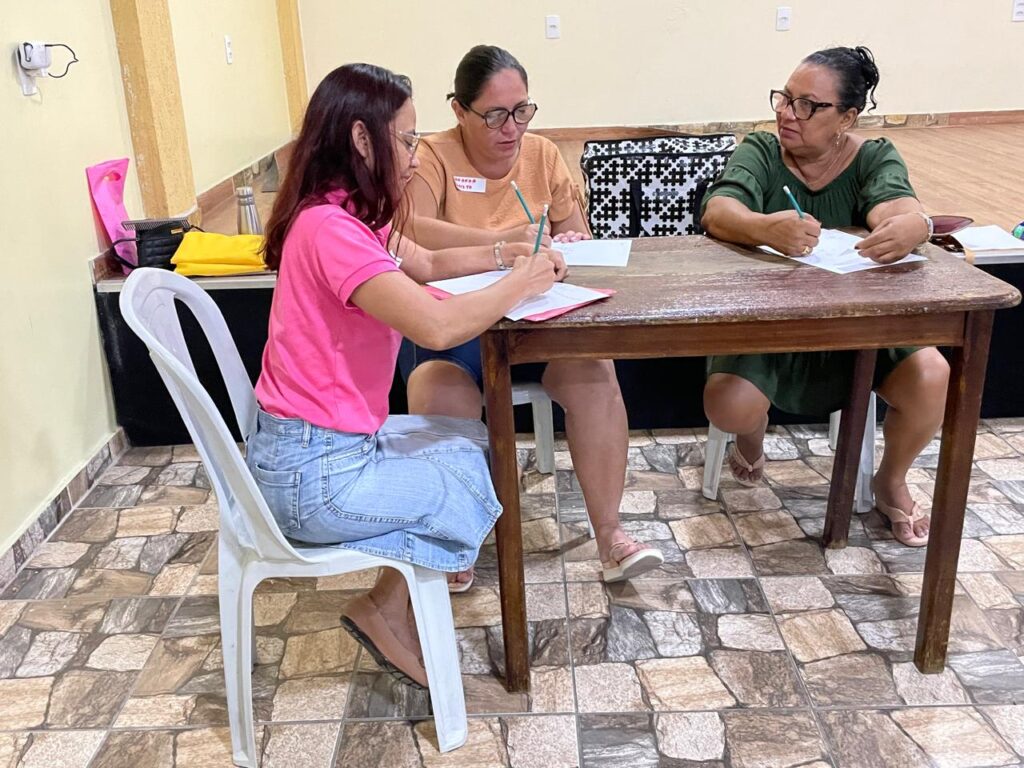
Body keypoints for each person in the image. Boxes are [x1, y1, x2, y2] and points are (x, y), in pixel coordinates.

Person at [249, 63, 563, 689]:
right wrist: (521, 282)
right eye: (407, 139)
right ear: (362, 140)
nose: (416, 157)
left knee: (470, 444)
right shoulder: (331, 231)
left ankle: (389, 607)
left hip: (312, 451)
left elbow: (424, 262)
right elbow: (436, 328)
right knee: (475, 481)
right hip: (314, 476)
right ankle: (388, 611)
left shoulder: (346, 214)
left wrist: (503, 253)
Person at [403, 44, 664, 587]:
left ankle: (611, 536)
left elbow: (578, 237)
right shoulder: (431, 156)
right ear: (459, 110)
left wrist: (567, 246)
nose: (511, 128)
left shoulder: (542, 154)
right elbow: (414, 232)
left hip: (541, 320)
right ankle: (454, 540)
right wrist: (506, 242)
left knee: (595, 375)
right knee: (438, 392)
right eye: (495, 115)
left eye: (522, 111)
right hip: (460, 326)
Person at [700, 46, 950, 548]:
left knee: (932, 374)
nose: (787, 113)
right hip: (768, 323)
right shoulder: (762, 150)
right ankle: (751, 435)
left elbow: (895, 205)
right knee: (728, 405)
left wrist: (912, 226)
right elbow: (719, 210)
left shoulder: (873, 157)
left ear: (847, 117)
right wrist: (763, 228)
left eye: (808, 105)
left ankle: (891, 480)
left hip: (860, 326)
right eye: (785, 98)